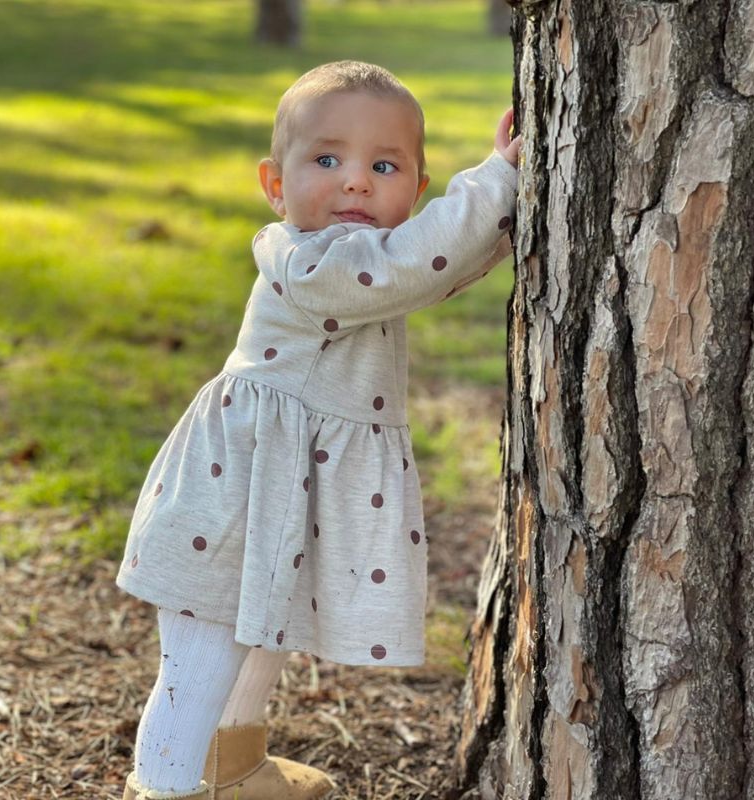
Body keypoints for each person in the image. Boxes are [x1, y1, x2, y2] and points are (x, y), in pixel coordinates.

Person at [115, 60, 521, 800]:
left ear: (415, 193)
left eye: (385, 165)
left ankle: (229, 769)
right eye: (327, 159)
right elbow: (412, 266)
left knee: (263, 630)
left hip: (287, 485)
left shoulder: (371, 262)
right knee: (203, 656)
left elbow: (432, 269)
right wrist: (497, 182)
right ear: (275, 185)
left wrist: (510, 210)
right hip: (236, 491)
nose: (356, 181)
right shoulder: (304, 264)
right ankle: (164, 786)